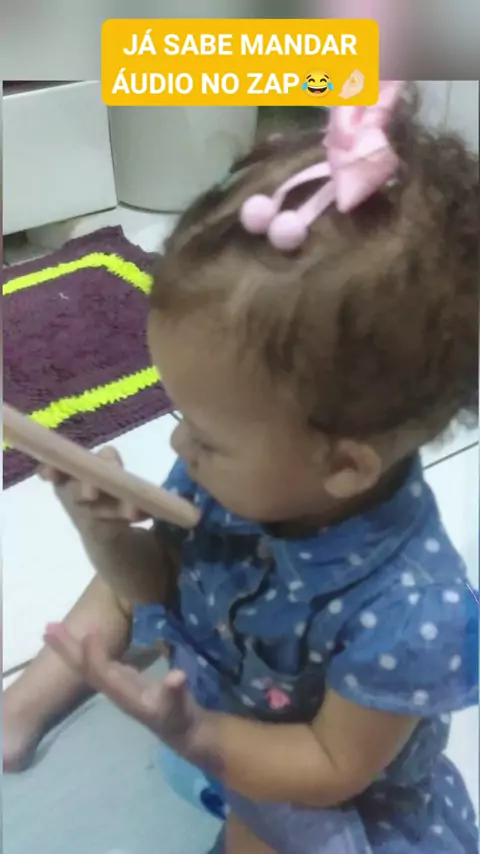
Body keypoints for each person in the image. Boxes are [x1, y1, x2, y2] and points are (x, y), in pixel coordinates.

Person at [4, 82, 479, 854]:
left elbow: (331, 768)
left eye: (207, 435)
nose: (180, 449)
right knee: (119, 584)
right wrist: (104, 534)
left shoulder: (412, 612)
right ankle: (25, 705)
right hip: (217, 685)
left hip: (310, 783)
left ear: (343, 466)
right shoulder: (246, 475)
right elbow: (157, 584)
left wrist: (199, 734)